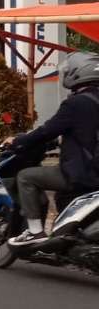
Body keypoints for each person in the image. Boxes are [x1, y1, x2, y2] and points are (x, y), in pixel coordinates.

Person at [6, 52, 99, 246]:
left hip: (81, 173)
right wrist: (58, 142)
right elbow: (86, 133)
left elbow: (46, 130)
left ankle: (34, 232)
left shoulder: (75, 103)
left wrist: (17, 142)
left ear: (77, 73)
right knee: (61, 196)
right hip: (94, 171)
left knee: (25, 176)